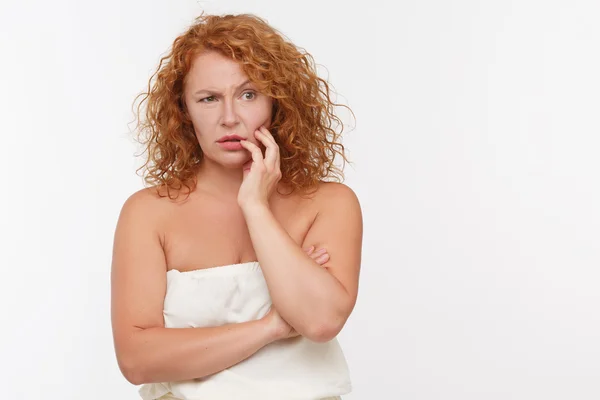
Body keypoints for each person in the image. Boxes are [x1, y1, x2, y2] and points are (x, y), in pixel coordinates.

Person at [110, 12, 363, 400]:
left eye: (248, 94)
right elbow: (137, 361)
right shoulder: (148, 213)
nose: (230, 118)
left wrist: (255, 207)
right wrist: (271, 327)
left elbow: (320, 321)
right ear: (184, 111)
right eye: (209, 99)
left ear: (277, 101)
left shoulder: (329, 203)